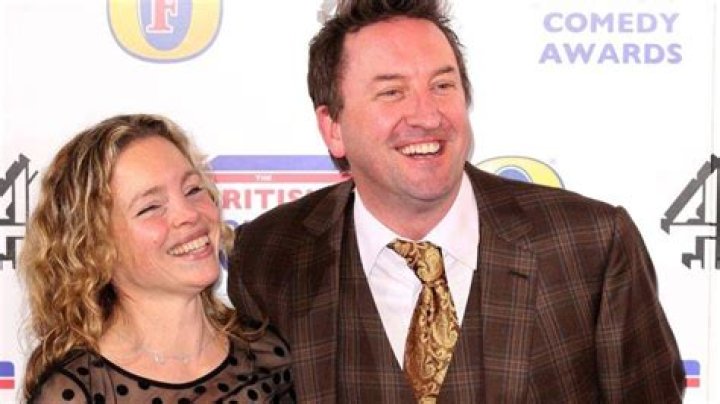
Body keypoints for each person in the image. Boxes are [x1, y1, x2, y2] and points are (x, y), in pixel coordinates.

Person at [229, 0, 685, 402]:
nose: (427, 115)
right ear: (332, 127)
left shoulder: (590, 245)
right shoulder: (270, 257)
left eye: (442, 86)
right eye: (392, 92)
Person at [20, 114, 295, 403]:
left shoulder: (272, 357)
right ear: (95, 246)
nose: (189, 214)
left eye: (193, 190)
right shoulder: (75, 393)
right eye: (151, 207)